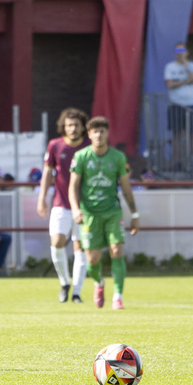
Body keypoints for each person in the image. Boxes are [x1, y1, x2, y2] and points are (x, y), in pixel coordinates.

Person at [69, 116, 139, 310]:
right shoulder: (81, 156)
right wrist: (75, 209)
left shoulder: (117, 157)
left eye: (102, 131)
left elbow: (126, 188)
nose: (99, 134)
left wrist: (134, 215)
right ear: (89, 134)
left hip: (112, 212)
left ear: (107, 133)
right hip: (89, 213)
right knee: (92, 260)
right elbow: (73, 186)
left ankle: (118, 296)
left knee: (117, 250)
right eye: (95, 131)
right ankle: (99, 283)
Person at [37, 107, 91, 302]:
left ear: (83, 127)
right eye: (69, 125)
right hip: (60, 203)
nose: (73, 128)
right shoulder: (55, 145)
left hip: (85, 206)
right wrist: (42, 198)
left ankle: (76, 292)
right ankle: (64, 282)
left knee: (80, 247)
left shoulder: (89, 145)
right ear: (63, 127)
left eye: (77, 125)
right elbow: (47, 173)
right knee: (57, 241)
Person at [164, 43, 193, 170]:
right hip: (176, 104)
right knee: (176, 134)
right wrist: (185, 81)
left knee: (191, 134)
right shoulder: (170, 67)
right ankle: (177, 162)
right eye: (177, 50)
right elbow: (169, 84)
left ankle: (190, 162)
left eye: (182, 50)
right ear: (174, 53)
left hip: (191, 103)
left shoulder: (192, 65)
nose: (180, 53)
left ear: (187, 52)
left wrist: (186, 66)